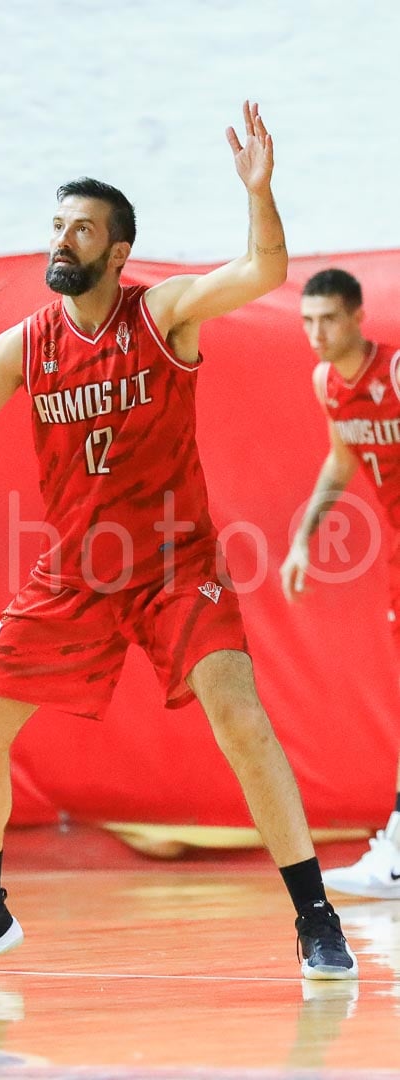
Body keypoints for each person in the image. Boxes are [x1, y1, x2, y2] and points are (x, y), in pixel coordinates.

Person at [0, 102, 358, 980]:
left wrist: (259, 190)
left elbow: (264, 267)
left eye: (81, 230)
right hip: (75, 572)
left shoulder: (163, 315)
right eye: (56, 226)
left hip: (177, 565)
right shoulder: (26, 344)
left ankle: (316, 916)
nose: (61, 241)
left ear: (116, 251)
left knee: (242, 718)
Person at [280, 268, 400, 900]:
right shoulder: (327, 382)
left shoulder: (396, 372)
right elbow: (341, 458)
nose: (316, 332)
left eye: (328, 318)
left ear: (357, 317)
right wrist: (304, 538)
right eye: (306, 320)